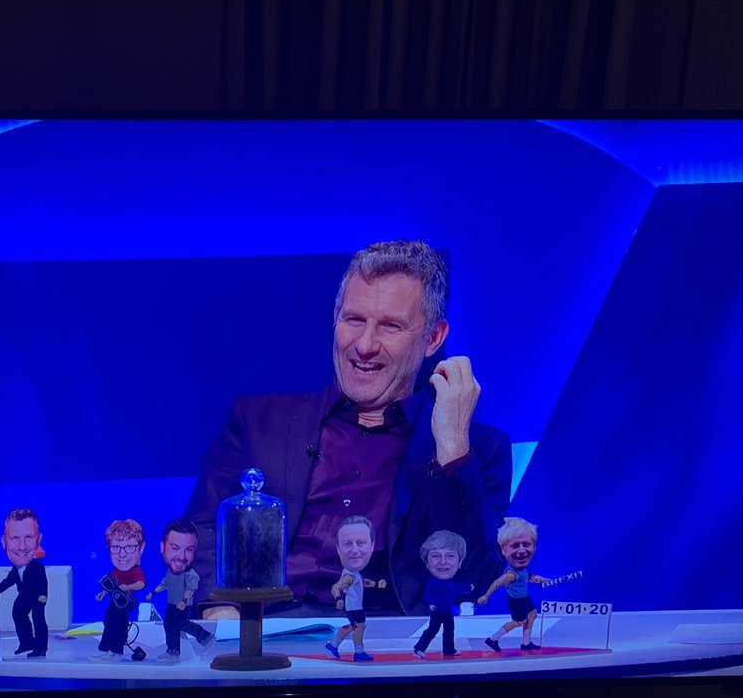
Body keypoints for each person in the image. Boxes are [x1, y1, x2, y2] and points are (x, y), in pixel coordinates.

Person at [184, 240, 511, 616]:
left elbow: (475, 578)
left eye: (390, 326)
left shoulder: (478, 452)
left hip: (384, 641)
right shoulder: (257, 422)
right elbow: (202, 529)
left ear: (433, 338)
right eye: (354, 320)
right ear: (335, 317)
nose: (365, 345)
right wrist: (221, 610)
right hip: (261, 630)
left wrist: (452, 448)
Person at [146, 519, 215, 661]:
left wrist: (184, 601)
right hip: (172, 604)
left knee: (181, 623)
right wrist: (153, 593)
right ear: (162, 547)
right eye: (175, 548)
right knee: (169, 624)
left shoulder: (191, 575)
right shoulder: (170, 573)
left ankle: (205, 637)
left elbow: (191, 588)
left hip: (182, 605)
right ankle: (173, 651)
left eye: (189, 550)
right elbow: (164, 585)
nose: (181, 557)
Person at [478, 517, 547, 652]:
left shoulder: (522, 571)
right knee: (519, 622)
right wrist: (486, 596)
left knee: (532, 614)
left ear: (534, 547)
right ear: (503, 550)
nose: (521, 551)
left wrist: (544, 580)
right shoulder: (511, 575)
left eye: (526, 544)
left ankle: (526, 643)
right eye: (515, 546)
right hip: (517, 602)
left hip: (524, 599)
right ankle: (492, 640)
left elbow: (532, 578)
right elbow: (497, 583)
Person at [324, 516, 387, 661]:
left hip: (353, 606)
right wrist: (338, 599)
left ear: (372, 546)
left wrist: (377, 584)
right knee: (360, 626)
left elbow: (362, 582)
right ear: (338, 548)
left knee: (352, 626)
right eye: (347, 544)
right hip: (353, 607)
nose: (354, 550)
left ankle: (333, 645)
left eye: (361, 543)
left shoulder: (354, 574)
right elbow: (335, 587)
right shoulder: (349, 576)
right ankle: (358, 651)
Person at [0, 508, 49, 658]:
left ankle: (41, 648)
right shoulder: (16, 568)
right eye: (15, 538)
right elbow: (9, 581)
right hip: (24, 596)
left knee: (38, 620)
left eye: (28, 537)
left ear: (38, 540)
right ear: (4, 542)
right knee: (17, 613)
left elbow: (42, 582)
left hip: (36, 597)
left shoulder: (37, 567)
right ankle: (27, 643)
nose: (22, 547)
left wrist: (43, 595)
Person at [90, 519, 146, 660]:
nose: (122, 554)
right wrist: (103, 594)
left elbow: (141, 584)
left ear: (141, 548)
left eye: (129, 547)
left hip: (124, 603)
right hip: (114, 603)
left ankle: (117, 651)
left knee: (120, 626)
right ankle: (104, 649)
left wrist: (128, 587)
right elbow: (110, 585)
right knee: (109, 623)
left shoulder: (135, 570)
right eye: (116, 547)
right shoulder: (115, 571)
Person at [412, 529, 472, 659]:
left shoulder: (451, 582)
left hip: (447, 611)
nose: (443, 562)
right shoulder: (432, 582)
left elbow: (456, 588)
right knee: (433, 629)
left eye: (450, 556)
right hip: (437, 611)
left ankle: (449, 650)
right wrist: (431, 604)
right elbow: (428, 595)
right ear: (427, 564)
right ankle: (419, 648)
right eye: (435, 556)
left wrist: (468, 587)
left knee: (449, 630)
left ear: (460, 562)